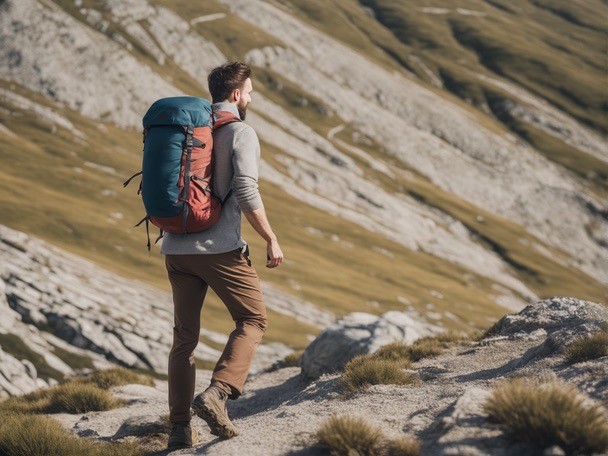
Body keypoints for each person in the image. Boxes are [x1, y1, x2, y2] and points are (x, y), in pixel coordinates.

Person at [161, 61, 284, 450]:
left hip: (176, 247)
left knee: (184, 339)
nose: (249, 98)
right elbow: (246, 190)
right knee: (252, 319)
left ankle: (180, 429)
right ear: (236, 94)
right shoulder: (240, 131)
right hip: (219, 249)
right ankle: (217, 394)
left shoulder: (188, 129)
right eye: (248, 92)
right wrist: (270, 237)